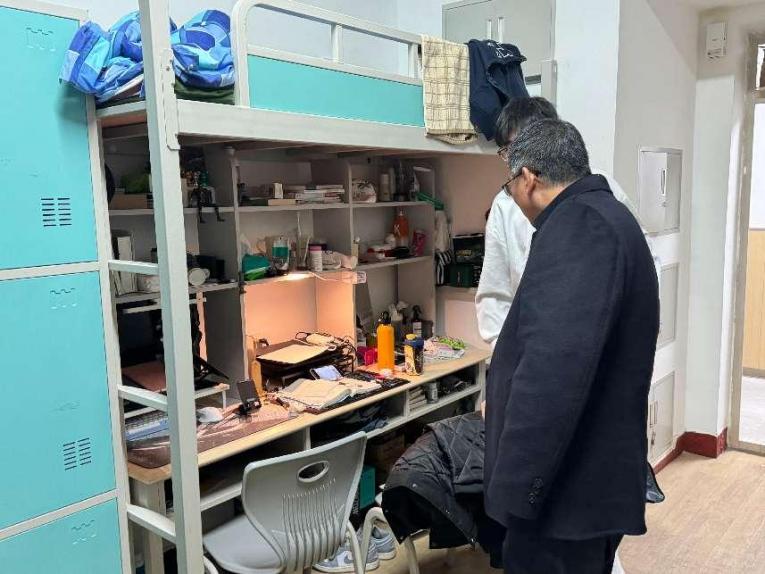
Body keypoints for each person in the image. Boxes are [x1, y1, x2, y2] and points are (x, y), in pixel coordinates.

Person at [483, 119, 659, 574]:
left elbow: (552, 374)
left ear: (528, 178)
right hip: (583, 485)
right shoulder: (606, 215)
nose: (512, 197)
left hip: (563, 497)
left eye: (510, 184)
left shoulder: (580, 227)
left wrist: (514, 490)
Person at [476, 97, 661, 349]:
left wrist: (637, 327)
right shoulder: (505, 204)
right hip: (535, 347)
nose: (515, 159)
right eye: (508, 151)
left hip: (606, 341)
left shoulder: (600, 186)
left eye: (523, 146)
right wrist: (504, 352)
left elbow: (643, 256)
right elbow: (494, 292)